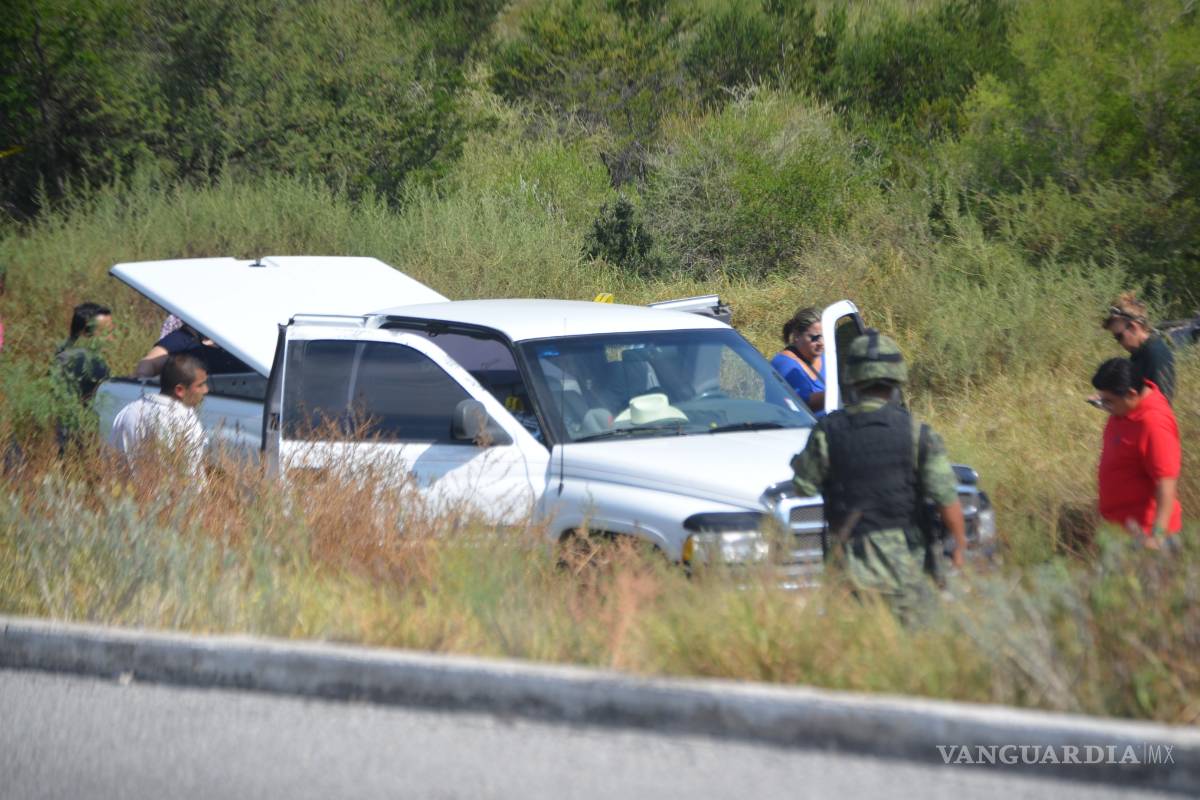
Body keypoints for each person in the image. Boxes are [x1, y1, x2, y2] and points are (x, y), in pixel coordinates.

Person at [790, 330, 967, 622]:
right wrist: (959, 550)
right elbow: (946, 498)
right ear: (897, 380)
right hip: (908, 566)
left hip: (848, 568)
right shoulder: (916, 433)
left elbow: (803, 487)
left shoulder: (828, 431)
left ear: (851, 380)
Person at [1091, 358, 1181, 547]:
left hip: (1144, 538)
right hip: (1120, 531)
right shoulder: (1125, 409)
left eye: (1108, 402)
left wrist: (1157, 536)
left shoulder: (1154, 423)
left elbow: (1166, 482)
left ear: (1131, 394)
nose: (1105, 407)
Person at [110, 353, 209, 477]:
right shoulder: (185, 423)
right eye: (200, 385)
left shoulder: (128, 411)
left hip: (123, 495)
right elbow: (189, 479)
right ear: (180, 390)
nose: (206, 390)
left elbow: (111, 463)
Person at [1102, 292, 1175, 402]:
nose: (1118, 342)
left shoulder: (1156, 355)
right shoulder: (1139, 352)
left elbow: (1162, 403)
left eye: (1119, 336)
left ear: (1134, 327)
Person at [53, 302, 114, 403]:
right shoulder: (90, 363)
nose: (111, 339)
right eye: (105, 333)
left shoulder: (61, 354)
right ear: (84, 334)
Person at [772, 306, 826, 416]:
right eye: (814, 338)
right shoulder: (785, 364)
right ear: (797, 336)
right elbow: (803, 405)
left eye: (824, 336)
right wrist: (841, 394)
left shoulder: (825, 357)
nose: (821, 343)